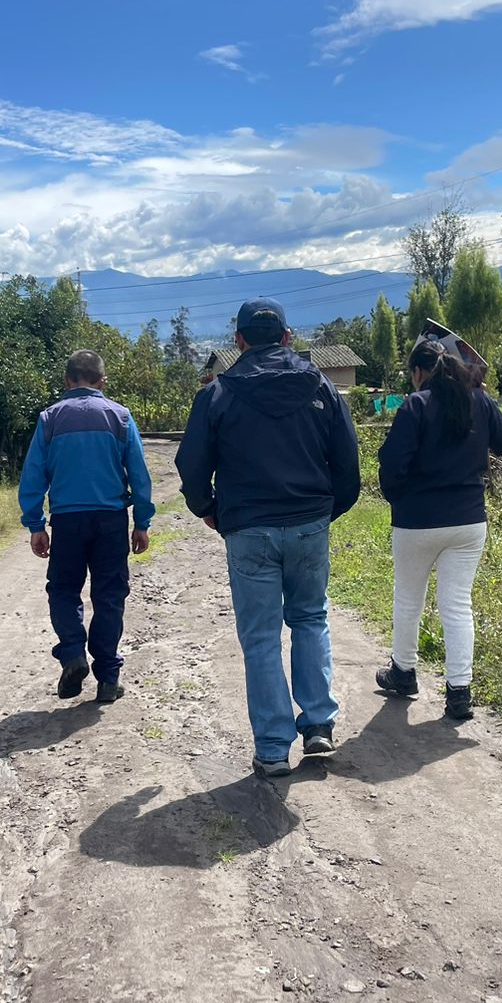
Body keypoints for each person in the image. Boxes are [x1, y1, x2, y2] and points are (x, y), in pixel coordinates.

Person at [176, 298, 361, 777]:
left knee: (260, 638)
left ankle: (274, 749)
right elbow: (348, 463)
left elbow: (191, 465)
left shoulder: (218, 394)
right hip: (309, 524)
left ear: (239, 341)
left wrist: (210, 510)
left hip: (248, 528)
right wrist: (325, 512)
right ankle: (318, 724)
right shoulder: (321, 386)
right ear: (286, 337)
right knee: (310, 619)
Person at [374, 337, 502, 721]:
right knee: (456, 605)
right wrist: (485, 397)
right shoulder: (478, 401)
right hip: (468, 521)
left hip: (417, 521)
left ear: (418, 372)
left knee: (409, 598)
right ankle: (459, 694)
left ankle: (404, 673)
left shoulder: (415, 405)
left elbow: (392, 464)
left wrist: (399, 499)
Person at [19, 350, 154, 704]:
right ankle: (108, 678)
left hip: (67, 520)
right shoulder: (120, 416)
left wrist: (35, 524)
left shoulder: (50, 419)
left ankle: (73, 653)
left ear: (67, 380)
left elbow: (33, 475)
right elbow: (139, 474)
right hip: (110, 519)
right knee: (109, 594)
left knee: (63, 589)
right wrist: (142, 522)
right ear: (103, 382)